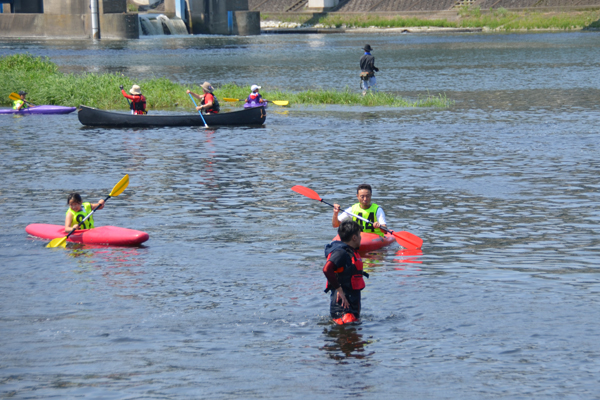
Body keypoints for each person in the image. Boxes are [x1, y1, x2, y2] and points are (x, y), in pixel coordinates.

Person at [323, 220, 369, 324]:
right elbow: (327, 269)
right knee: (347, 334)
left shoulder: (350, 251)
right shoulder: (341, 252)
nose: (361, 238)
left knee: (354, 334)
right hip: (343, 305)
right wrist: (339, 290)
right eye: (359, 235)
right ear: (354, 237)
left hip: (350, 303)